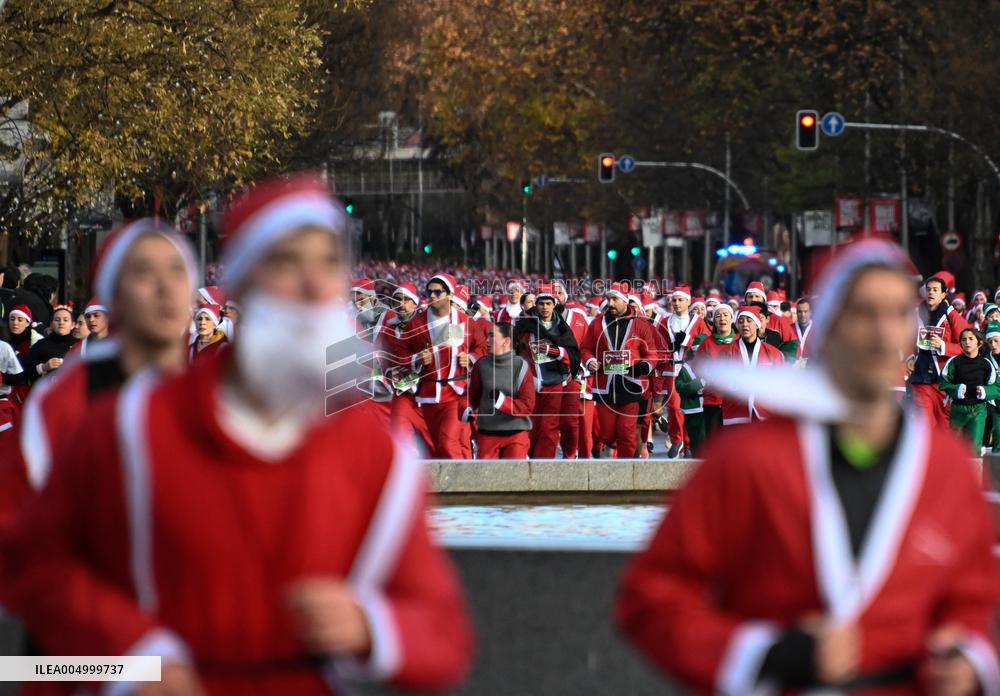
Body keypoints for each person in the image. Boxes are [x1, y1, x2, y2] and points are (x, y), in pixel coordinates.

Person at [4, 173, 474, 695]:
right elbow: (31, 561)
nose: (314, 286)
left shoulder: (375, 452)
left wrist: (371, 627)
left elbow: (444, 636)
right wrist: (129, 659)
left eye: (328, 263)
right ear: (244, 287)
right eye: (286, 262)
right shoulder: (116, 420)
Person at [617, 237, 1000, 695]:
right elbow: (650, 598)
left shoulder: (946, 466)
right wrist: (763, 655)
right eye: (864, 312)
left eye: (899, 313)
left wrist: (969, 660)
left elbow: (973, 597)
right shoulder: (746, 461)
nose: (883, 333)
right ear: (829, 328)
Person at [14, 219, 198, 496]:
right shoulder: (62, 402)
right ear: (114, 295)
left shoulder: (217, 394)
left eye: (177, 271)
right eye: (145, 273)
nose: (167, 287)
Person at [404, 272, 486, 459]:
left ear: (449, 295)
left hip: (456, 392)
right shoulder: (416, 323)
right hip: (429, 394)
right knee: (433, 448)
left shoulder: (464, 321)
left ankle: (460, 478)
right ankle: (448, 479)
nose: (432, 296)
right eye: (429, 292)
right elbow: (401, 351)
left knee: (448, 443)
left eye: (437, 292)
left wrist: (471, 358)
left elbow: (482, 347)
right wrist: (416, 359)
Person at [580, 282, 657, 458]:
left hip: (631, 386)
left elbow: (652, 353)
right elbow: (585, 348)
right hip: (604, 386)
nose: (610, 303)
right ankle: (615, 449)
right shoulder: (597, 323)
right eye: (608, 299)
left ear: (625, 301)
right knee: (607, 435)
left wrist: (643, 366)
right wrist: (590, 361)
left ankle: (626, 468)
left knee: (626, 433)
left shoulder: (640, 324)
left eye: (615, 299)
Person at [514, 283, 580, 459]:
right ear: (536, 304)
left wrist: (555, 352)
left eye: (548, 303)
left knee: (549, 427)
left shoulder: (562, 327)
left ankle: (545, 466)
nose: (545, 307)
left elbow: (573, 353)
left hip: (554, 383)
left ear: (554, 305)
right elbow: (515, 352)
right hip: (530, 384)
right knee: (533, 428)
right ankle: (533, 459)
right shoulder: (524, 325)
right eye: (541, 303)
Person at [462, 321, 536, 459]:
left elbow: (527, 405)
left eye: (492, 336)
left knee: (513, 473)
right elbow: (471, 397)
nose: (487, 340)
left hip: (516, 435)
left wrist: (502, 402)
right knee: (486, 473)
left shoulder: (522, 366)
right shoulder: (481, 365)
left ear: (506, 341)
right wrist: (467, 409)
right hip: (487, 434)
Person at [907, 273, 968, 427]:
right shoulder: (915, 314)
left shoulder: (951, 316)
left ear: (943, 294)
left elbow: (968, 347)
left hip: (944, 380)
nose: (931, 293)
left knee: (944, 426)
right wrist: (909, 356)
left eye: (935, 290)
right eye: (928, 289)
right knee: (925, 424)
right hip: (921, 379)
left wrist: (943, 346)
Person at [663, 285, 710, 458]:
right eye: (674, 300)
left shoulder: (698, 322)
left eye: (680, 300)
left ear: (688, 302)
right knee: (674, 407)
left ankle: (688, 443)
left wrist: (687, 341)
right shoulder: (665, 322)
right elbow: (657, 344)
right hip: (671, 369)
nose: (676, 303)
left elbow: (705, 343)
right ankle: (677, 439)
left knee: (689, 407)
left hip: (690, 370)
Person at [718, 306, 785, 425]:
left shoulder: (773, 353)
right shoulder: (726, 353)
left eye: (749, 320)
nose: (745, 324)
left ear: (757, 324)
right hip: (735, 413)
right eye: (741, 321)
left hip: (765, 413)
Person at [939, 328, 998, 453]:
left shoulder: (986, 364)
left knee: (974, 447)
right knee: (953, 446)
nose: (967, 342)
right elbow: (943, 382)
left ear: (979, 343)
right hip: (957, 409)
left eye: (971, 339)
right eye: (964, 339)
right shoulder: (954, 362)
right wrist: (956, 390)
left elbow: (996, 386)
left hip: (978, 410)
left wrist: (985, 391)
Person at [698, 303, 737, 436]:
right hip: (712, 399)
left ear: (732, 319)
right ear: (714, 321)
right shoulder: (706, 343)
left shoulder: (740, 341)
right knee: (713, 440)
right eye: (718, 316)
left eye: (725, 315)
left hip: (735, 401)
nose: (722, 318)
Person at [23, 303, 78, 381]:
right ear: (51, 324)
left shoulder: (79, 345)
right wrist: (43, 367)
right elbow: (26, 372)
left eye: (65, 320)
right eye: (57, 320)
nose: (61, 323)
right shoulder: (41, 344)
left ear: (73, 325)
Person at [795, 296, 813, 360]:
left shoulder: (818, 330)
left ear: (810, 312)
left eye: (805, 311)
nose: (803, 315)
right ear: (796, 312)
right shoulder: (789, 329)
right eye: (800, 312)